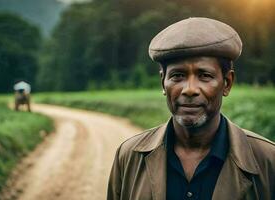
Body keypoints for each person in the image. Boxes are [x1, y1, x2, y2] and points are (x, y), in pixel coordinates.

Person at [107, 17, 275, 200]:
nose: (190, 90)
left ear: (227, 83)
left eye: (204, 75)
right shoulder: (128, 156)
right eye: (178, 75)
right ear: (163, 82)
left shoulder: (268, 161)